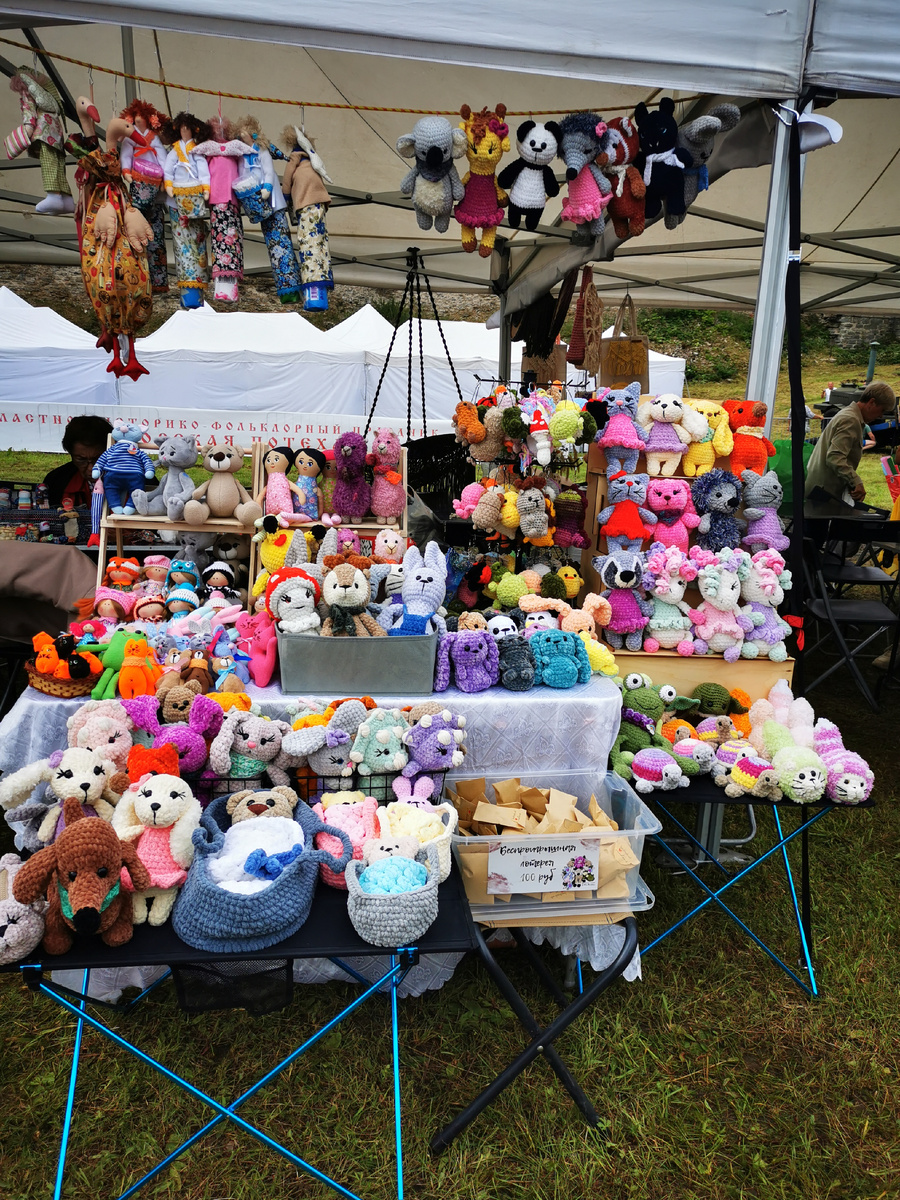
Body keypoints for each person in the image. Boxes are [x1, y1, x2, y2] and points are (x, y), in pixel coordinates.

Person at [804, 380, 896, 512]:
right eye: (882, 410)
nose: (881, 415)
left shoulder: (850, 415)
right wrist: (855, 481)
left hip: (822, 490)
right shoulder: (851, 420)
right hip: (823, 494)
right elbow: (835, 457)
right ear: (872, 402)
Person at [41, 415, 113, 508]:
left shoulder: (129, 477)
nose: (91, 468)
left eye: (98, 459)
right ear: (71, 455)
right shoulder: (56, 482)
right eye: (81, 460)